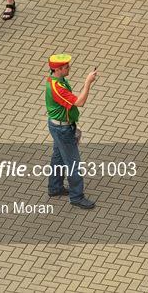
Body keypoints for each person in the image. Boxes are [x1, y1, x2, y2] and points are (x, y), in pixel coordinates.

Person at [45, 54, 98, 209]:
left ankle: (55, 187)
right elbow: (79, 102)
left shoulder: (56, 80)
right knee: (73, 164)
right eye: (66, 67)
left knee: (58, 157)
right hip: (63, 129)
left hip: (58, 126)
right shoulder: (58, 88)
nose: (69, 68)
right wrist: (88, 82)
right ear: (58, 69)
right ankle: (77, 196)